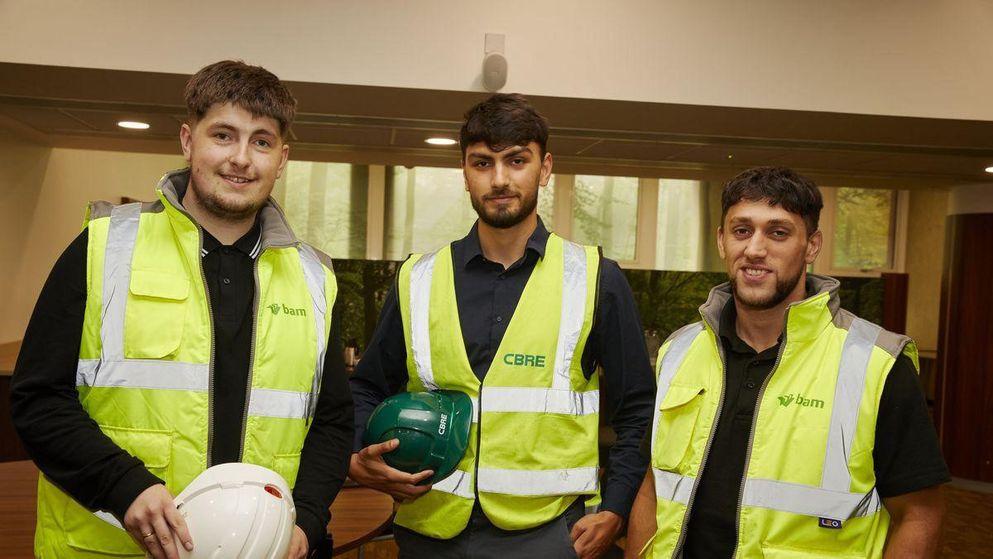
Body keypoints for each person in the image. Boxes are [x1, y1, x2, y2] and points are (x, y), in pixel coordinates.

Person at [10, 60, 354, 559]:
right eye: (223, 135)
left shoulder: (315, 279)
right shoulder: (103, 249)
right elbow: (37, 400)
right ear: (188, 140)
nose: (241, 158)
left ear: (282, 159)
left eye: (260, 141)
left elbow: (332, 422)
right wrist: (124, 486)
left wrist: (309, 517)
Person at [348, 93, 656, 559]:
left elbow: (637, 407)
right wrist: (360, 454)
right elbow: (366, 388)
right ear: (465, 173)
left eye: (516, 161)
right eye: (482, 163)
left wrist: (615, 506)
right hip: (431, 529)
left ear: (545, 168)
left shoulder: (595, 278)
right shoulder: (419, 278)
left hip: (551, 534)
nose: (499, 179)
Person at [625, 167, 949, 558]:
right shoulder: (681, 349)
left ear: (811, 246)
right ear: (722, 241)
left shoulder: (876, 362)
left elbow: (919, 514)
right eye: (741, 230)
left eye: (778, 232)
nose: (755, 249)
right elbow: (651, 486)